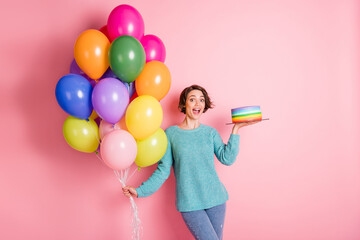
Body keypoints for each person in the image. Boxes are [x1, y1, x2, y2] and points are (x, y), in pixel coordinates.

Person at [122, 85, 261, 240]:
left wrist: (236, 129)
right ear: (184, 104)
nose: (197, 103)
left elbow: (227, 158)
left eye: (201, 100)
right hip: (190, 204)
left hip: (216, 200)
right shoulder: (171, 134)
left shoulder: (210, 133)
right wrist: (140, 191)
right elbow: (163, 170)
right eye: (192, 99)